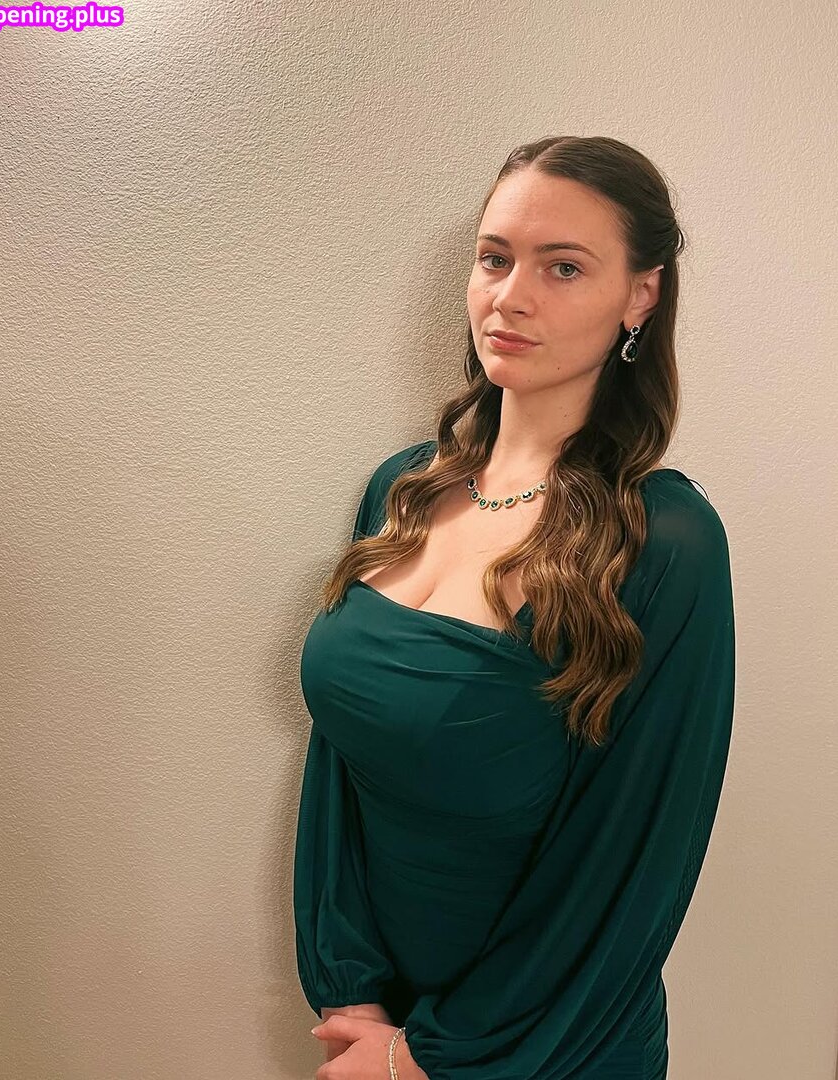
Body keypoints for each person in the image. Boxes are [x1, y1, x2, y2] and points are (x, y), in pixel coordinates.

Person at [292, 135, 736, 1080]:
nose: (510, 296)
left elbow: (631, 861)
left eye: (562, 267)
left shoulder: (665, 542)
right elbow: (341, 758)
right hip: (375, 1024)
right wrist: (348, 990)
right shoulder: (401, 490)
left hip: (548, 1045)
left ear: (640, 295)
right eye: (494, 259)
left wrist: (421, 1058)